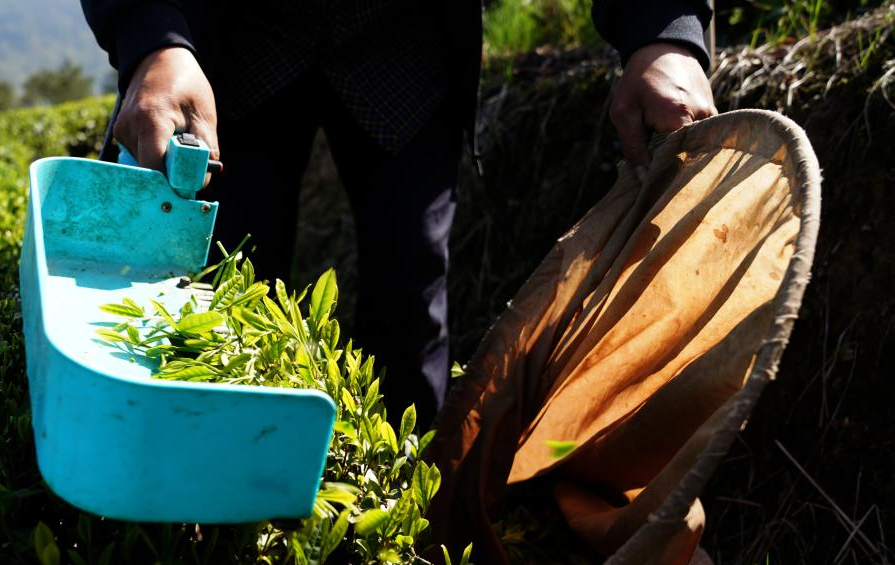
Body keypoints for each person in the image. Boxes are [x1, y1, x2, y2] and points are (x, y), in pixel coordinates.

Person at [80, 1, 717, 428]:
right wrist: (154, 40)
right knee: (209, 286)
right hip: (233, 41)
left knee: (409, 292)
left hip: (403, 44)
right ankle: (197, 506)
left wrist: (662, 30)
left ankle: (401, 512)